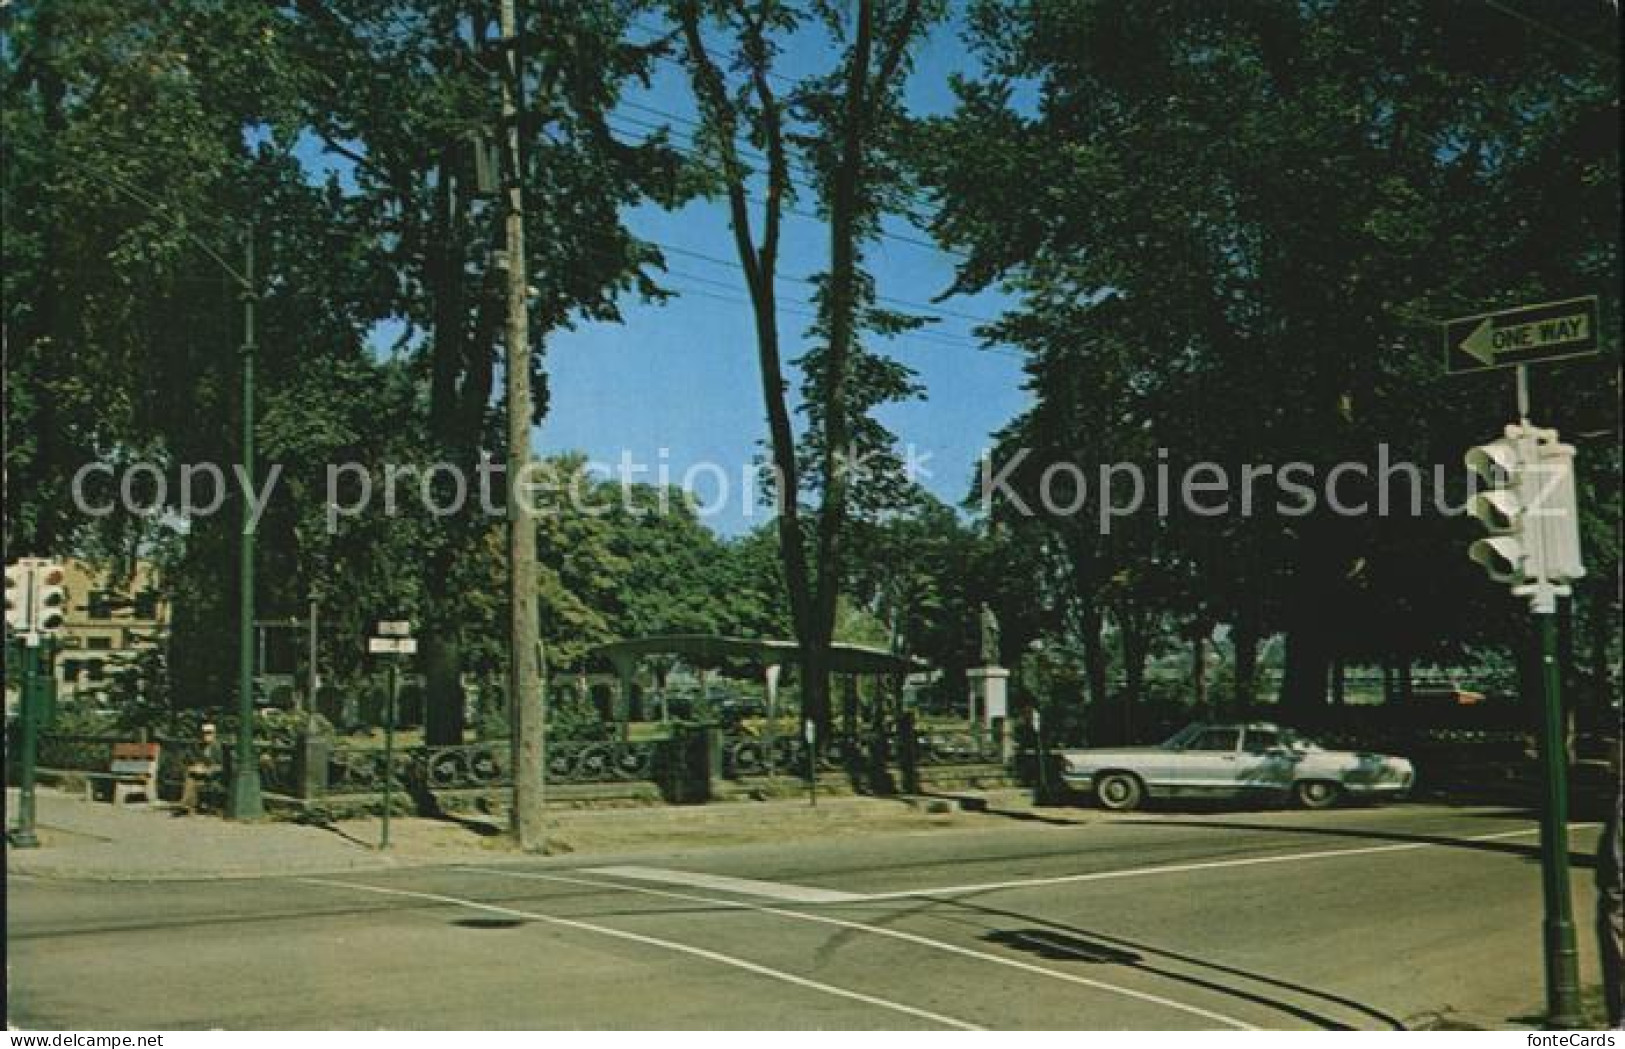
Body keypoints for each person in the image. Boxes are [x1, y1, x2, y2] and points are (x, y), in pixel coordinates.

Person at [177, 722, 223, 815]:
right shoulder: (197, 746)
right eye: (204, 733)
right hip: (199, 775)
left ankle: (187, 806)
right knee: (190, 777)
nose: (206, 735)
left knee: (195, 780)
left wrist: (207, 770)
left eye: (209, 733)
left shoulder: (219, 747)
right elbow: (186, 759)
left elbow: (222, 766)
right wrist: (193, 767)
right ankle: (187, 806)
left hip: (214, 777)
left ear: (214, 734)